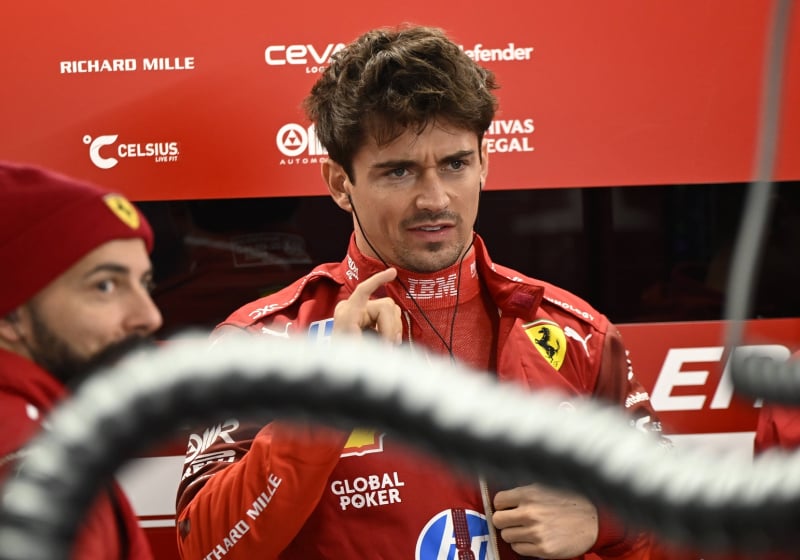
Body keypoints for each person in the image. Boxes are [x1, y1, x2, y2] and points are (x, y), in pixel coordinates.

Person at [175, 24, 663, 560]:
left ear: (484, 163)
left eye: (455, 164)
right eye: (399, 171)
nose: (435, 199)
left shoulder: (578, 335)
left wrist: (602, 520)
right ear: (339, 183)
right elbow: (206, 548)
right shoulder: (261, 341)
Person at [0, 161, 162, 559]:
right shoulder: (36, 469)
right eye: (105, 286)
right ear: (10, 316)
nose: (149, 316)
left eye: (145, 284)